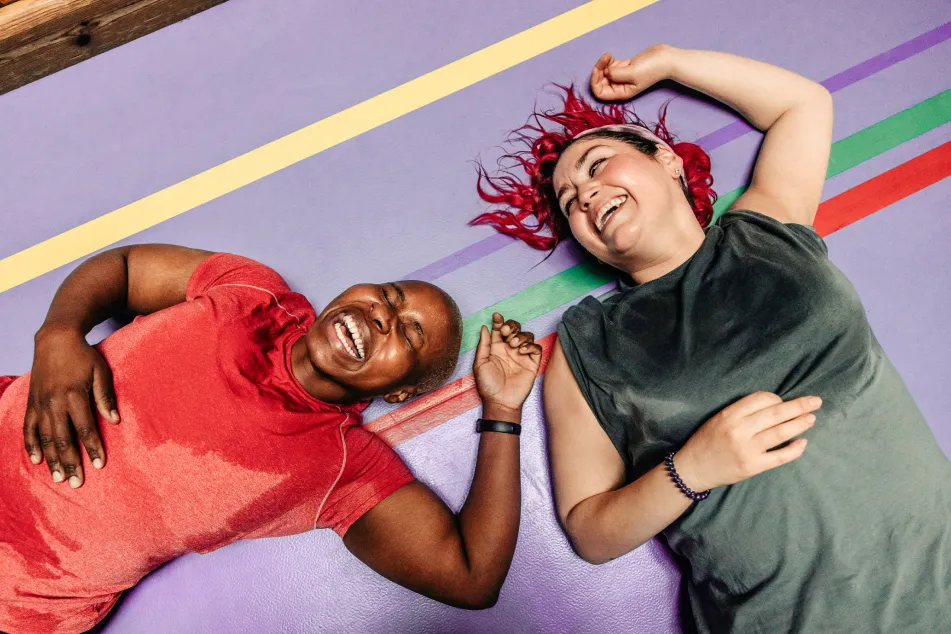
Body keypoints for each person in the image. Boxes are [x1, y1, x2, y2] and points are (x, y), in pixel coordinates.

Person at [474, 45, 951, 632]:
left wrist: (667, 65)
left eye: (597, 166)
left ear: (667, 160)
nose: (587, 194)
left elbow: (803, 105)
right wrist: (692, 468)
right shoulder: (588, 346)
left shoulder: (764, 231)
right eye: (570, 201)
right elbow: (590, 531)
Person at [1, 245, 543, 634]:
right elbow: (121, 269)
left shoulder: (344, 465)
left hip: (21, 602)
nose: (383, 315)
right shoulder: (251, 289)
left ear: (399, 394)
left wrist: (502, 408)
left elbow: (471, 578)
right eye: (389, 295)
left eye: (408, 333)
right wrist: (60, 334)